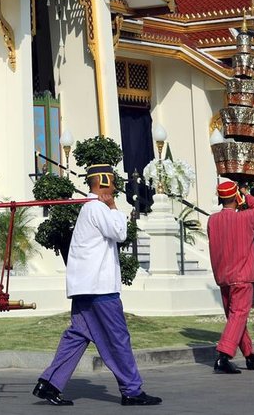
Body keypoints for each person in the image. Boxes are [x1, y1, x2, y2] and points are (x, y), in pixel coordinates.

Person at [34, 165, 161, 407]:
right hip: (99, 289)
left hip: (86, 287)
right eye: (112, 182)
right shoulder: (98, 208)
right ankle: (132, 390)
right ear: (103, 182)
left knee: (78, 335)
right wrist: (114, 207)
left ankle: (50, 383)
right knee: (117, 338)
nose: (114, 187)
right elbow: (120, 232)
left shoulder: (89, 209)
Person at [207, 180, 254, 374]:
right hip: (242, 275)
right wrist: (246, 194)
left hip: (223, 275)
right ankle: (224, 355)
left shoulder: (212, 220)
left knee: (235, 318)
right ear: (236, 197)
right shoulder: (246, 217)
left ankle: (249, 354)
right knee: (238, 315)